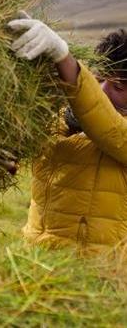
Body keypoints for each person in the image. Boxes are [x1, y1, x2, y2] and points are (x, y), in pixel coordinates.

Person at [8, 14, 127, 254]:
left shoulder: (117, 132)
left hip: (99, 270)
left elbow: (109, 128)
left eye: (117, 86)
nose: (102, 90)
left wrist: (63, 57)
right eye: (98, 79)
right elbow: (18, 151)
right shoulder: (59, 119)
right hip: (37, 261)